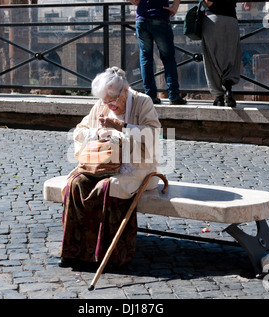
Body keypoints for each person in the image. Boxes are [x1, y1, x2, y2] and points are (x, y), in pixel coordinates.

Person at [59, 67, 162, 269]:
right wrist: (97, 133)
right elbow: (80, 130)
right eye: (106, 102)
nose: (109, 105)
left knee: (108, 187)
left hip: (136, 164)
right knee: (75, 183)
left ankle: (108, 254)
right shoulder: (102, 104)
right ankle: (76, 252)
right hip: (102, 162)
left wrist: (121, 128)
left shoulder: (143, 102)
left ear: (125, 91)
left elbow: (153, 135)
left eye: (112, 100)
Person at [128, 0, 187, 105]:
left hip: (142, 18)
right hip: (160, 16)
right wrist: (175, 6)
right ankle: (173, 95)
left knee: (146, 58)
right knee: (168, 58)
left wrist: (137, 2)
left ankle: (150, 96)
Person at [201, 0, 242, 107]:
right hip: (231, 21)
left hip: (213, 20)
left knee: (212, 59)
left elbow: (208, 1)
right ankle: (229, 90)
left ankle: (219, 97)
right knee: (231, 56)